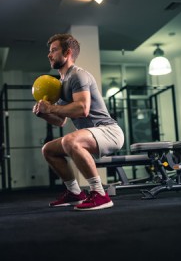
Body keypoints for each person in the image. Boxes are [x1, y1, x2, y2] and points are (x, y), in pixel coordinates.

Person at [32, 33, 124, 211]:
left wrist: (50, 108)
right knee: (48, 149)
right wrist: (43, 113)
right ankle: (75, 193)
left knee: (70, 140)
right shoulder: (61, 84)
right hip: (91, 134)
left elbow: (82, 109)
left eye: (54, 50)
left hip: (109, 132)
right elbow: (60, 121)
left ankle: (100, 194)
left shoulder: (78, 75)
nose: (49, 55)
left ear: (67, 53)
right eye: (49, 51)